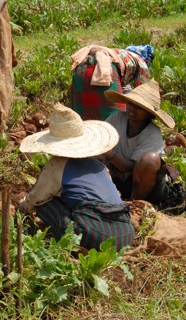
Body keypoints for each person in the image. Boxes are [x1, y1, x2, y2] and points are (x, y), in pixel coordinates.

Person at [17, 103, 134, 251]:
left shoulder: (57, 164)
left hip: (95, 236)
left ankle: (68, 245)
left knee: (45, 204)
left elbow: (36, 199)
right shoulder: (99, 166)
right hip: (124, 234)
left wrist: (22, 208)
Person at [99, 80, 176, 205]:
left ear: (149, 113)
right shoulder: (116, 119)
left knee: (150, 159)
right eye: (131, 104)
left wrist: (110, 155)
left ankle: (134, 203)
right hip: (116, 179)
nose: (132, 109)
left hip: (146, 187)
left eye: (139, 108)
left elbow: (131, 167)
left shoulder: (152, 133)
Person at [70, 46, 150, 121]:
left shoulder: (119, 53)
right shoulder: (142, 64)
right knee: (117, 120)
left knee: (83, 114)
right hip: (106, 71)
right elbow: (141, 95)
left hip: (81, 69)